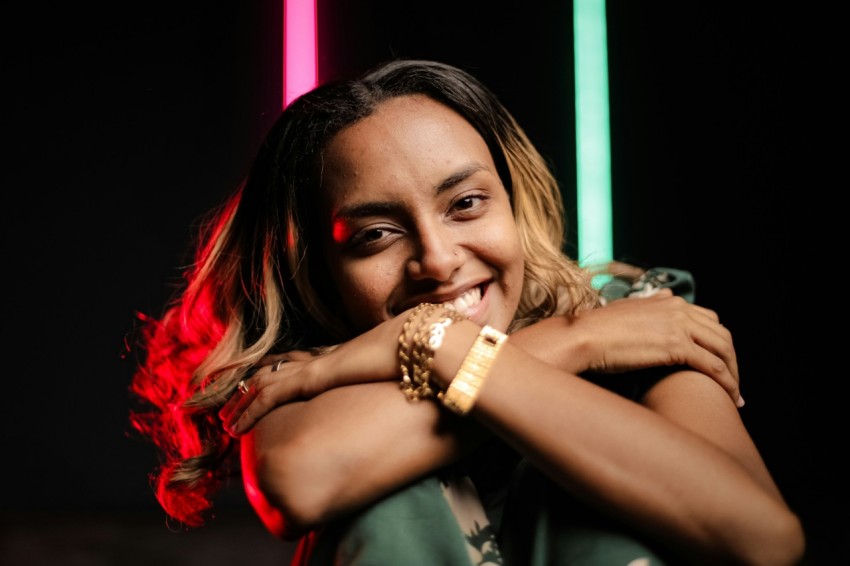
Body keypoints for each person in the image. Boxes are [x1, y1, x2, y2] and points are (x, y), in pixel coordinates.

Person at [129, 59, 804, 565]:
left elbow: (763, 540)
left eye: (466, 204)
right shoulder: (306, 376)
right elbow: (301, 481)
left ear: (513, 200)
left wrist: (457, 347)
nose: (437, 259)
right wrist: (501, 344)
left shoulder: (632, 321)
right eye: (376, 235)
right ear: (318, 272)